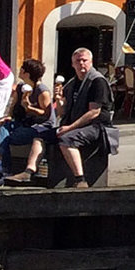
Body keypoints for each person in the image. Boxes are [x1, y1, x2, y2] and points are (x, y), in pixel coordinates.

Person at [48, 48, 113, 187]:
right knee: (42, 135)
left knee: (67, 139)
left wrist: (69, 128)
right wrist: (58, 99)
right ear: (73, 64)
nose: (81, 64)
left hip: (97, 127)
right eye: (78, 61)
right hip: (76, 125)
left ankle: (80, 180)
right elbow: (61, 112)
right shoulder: (71, 84)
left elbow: (94, 113)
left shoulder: (97, 82)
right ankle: (31, 172)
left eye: (85, 60)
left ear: (91, 62)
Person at [0, 60, 53, 183]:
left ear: (26, 73)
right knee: (4, 126)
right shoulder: (20, 87)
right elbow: (13, 105)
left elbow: (46, 114)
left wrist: (29, 108)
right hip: (24, 123)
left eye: (21, 69)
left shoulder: (42, 91)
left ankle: (4, 171)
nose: (19, 71)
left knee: (9, 138)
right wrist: (8, 116)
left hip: (40, 127)